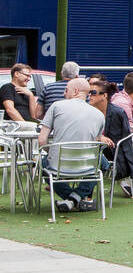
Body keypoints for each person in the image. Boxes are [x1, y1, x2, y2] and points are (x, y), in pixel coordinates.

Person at [38, 78, 106, 211]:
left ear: (75, 91)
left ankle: (70, 199)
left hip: (59, 165)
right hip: (86, 164)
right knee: (103, 164)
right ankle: (76, 198)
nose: (64, 93)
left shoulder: (56, 106)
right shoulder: (99, 115)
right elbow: (96, 144)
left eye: (66, 90)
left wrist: (52, 153)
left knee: (43, 163)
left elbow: (42, 140)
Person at [89, 79, 133, 187]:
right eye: (89, 92)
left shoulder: (117, 113)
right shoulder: (87, 111)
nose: (90, 95)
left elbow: (122, 141)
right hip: (90, 148)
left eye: (93, 93)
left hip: (111, 150)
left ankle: (85, 196)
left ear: (104, 95)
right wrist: (98, 137)